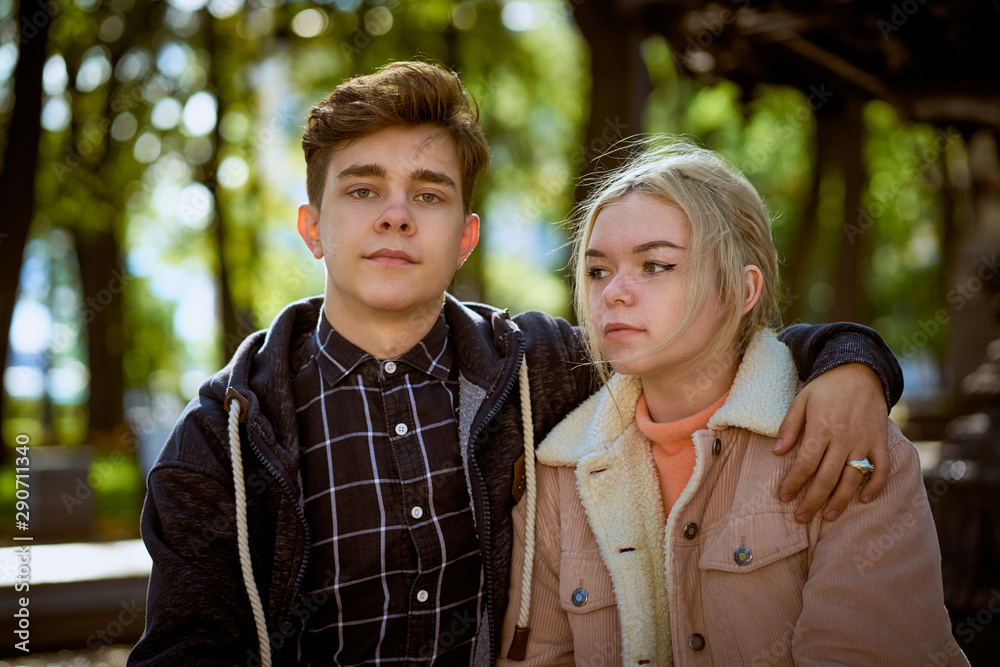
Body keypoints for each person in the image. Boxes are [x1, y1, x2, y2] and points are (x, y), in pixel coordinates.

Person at [129, 62, 906, 666]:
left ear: (465, 237)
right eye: (364, 190)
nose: (396, 213)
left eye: (428, 195)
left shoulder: (533, 367)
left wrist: (853, 365)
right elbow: (188, 648)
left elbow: (706, 344)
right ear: (312, 227)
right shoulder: (224, 439)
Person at [497, 141, 967, 666]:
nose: (614, 294)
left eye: (655, 265)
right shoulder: (560, 470)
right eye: (598, 270)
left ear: (741, 291)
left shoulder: (846, 440)